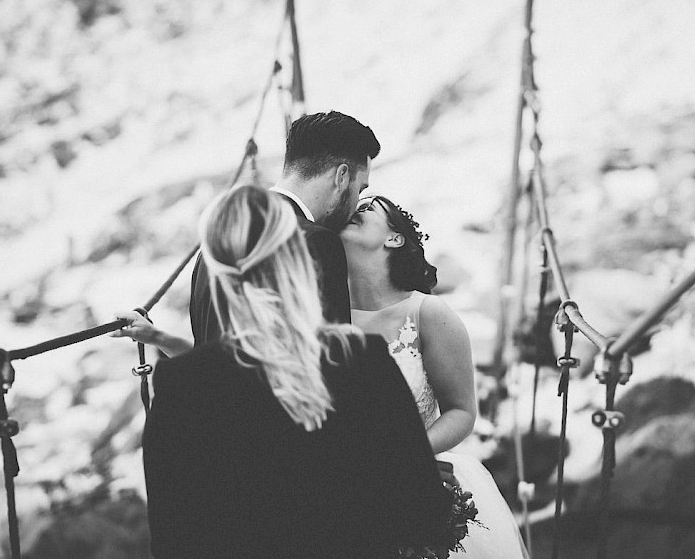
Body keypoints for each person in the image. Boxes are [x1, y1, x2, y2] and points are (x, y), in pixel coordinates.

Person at [121, 186, 451, 557]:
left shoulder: (184, 385)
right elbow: (423, 513)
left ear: (213, 268)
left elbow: (173, 540)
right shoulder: (362, 358)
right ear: (295, 257)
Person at [341, 195, 531, 559]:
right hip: (349, 491)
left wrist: (406, 459)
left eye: (367, 208)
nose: (354, 210)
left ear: (394, 238)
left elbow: (461, 411)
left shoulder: (428, 313)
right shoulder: (324, 312)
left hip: (420, 482)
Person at [188, 110, 380, 346]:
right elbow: (334, 363)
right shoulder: (317, 243)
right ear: (341, 177)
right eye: (360, 189)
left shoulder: (214, 244)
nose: (356, 205)